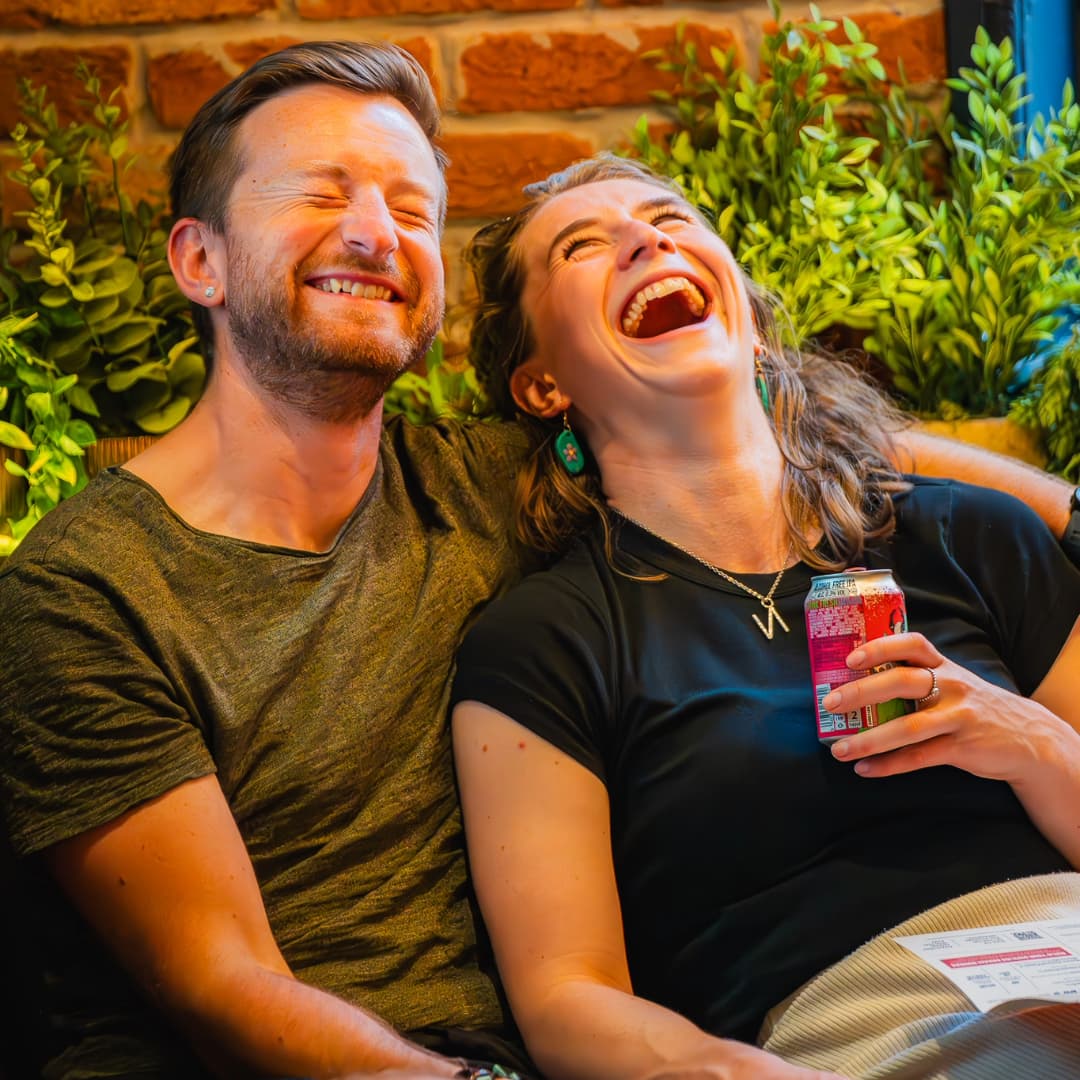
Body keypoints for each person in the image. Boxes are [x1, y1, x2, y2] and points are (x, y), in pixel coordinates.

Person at [0, 42, 1073, 1080]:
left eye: (410, 208)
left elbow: (771, 425)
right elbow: (219, 987)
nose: (375, 233)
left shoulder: (480, 481)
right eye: (322, 195)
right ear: (200, 259)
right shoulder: (87, 592)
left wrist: (1059, 518)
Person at [450, 154, 1080, 1080]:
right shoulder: (544, 644)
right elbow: (566, 1000)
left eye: (670, 219)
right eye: (584, 245)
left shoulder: (970, 536)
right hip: (862, 1036)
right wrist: (733, 1074)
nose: (644, 237)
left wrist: (1030, 742)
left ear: (749, 318)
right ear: (542, 384)